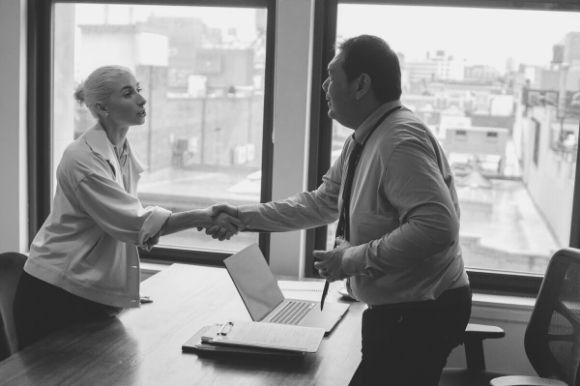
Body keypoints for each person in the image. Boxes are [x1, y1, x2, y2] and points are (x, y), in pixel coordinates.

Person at [209, 35, 471, 386]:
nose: (324, 85)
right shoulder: (365, 137)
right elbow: (321, 203)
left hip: (419, 312)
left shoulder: (399, 140)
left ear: (361, 84)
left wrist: (349, 260)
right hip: (402, 309)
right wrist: (243, 217)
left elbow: (437, 227)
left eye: (333, 75)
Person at [13, 65, 238, 349]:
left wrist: (148, 232)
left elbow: (129, 222)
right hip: (55, 293)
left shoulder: (120, 148)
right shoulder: (82, 159)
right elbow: (133, 222)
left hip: (86, 289)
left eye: (138, 90)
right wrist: (202, 216)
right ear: (103, 107)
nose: (142, 100)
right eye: (128, 93)